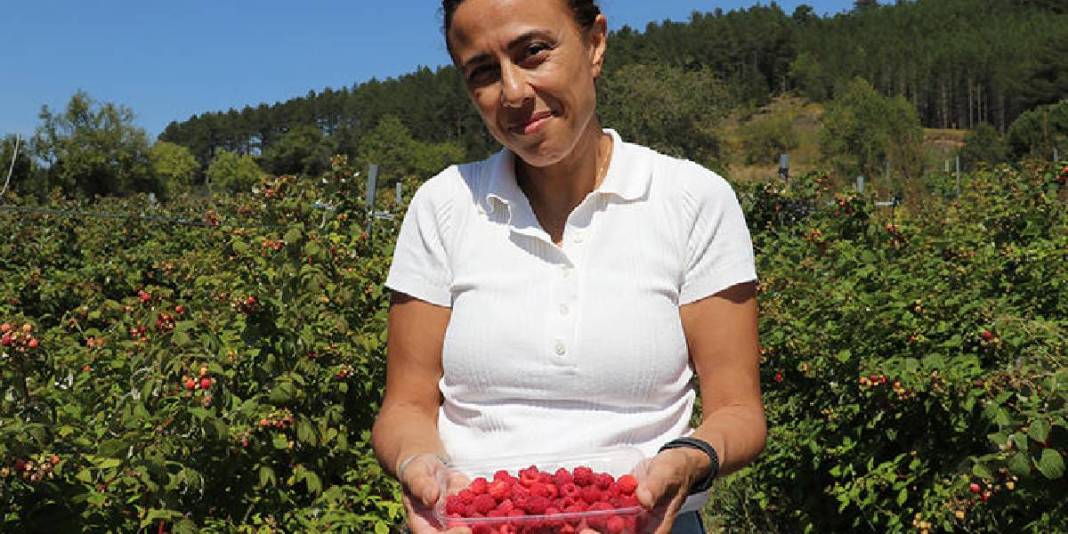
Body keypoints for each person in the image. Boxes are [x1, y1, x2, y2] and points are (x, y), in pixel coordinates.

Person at [370, 1, 767, 532]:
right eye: (484, 72)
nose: (512, 92)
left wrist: (688, 459)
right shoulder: (443, 206)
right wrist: (420, 467)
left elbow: (739, 411)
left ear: (595, 43)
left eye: (533, 52)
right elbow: (405, 408)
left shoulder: (693, 199)